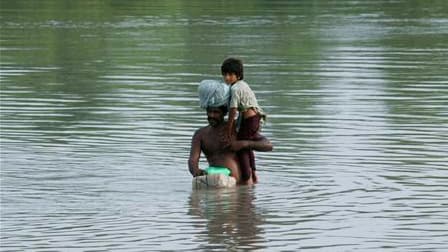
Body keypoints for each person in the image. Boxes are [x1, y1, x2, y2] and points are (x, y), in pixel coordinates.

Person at [188, 80, 272, 184]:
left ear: (224, 113)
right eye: (209, 111)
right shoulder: (200, 134)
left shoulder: (237, 129)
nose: (212, 115)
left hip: (242, 188)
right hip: (216, 184)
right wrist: (195, 171)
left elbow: (268, 146)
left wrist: (243, 144)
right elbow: (193, 160)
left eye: (216, 112)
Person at [221, 58, 267, 183]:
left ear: (238, 75)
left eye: (230, 74)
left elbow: (233, 111)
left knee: (241, 145)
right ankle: (254, 173)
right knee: (247, 145)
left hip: (250, 120)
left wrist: (228, 130)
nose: (227, 77)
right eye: (225, 74)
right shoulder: (243, 85)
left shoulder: (235, 89)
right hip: (254, 118)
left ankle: (246, 174)